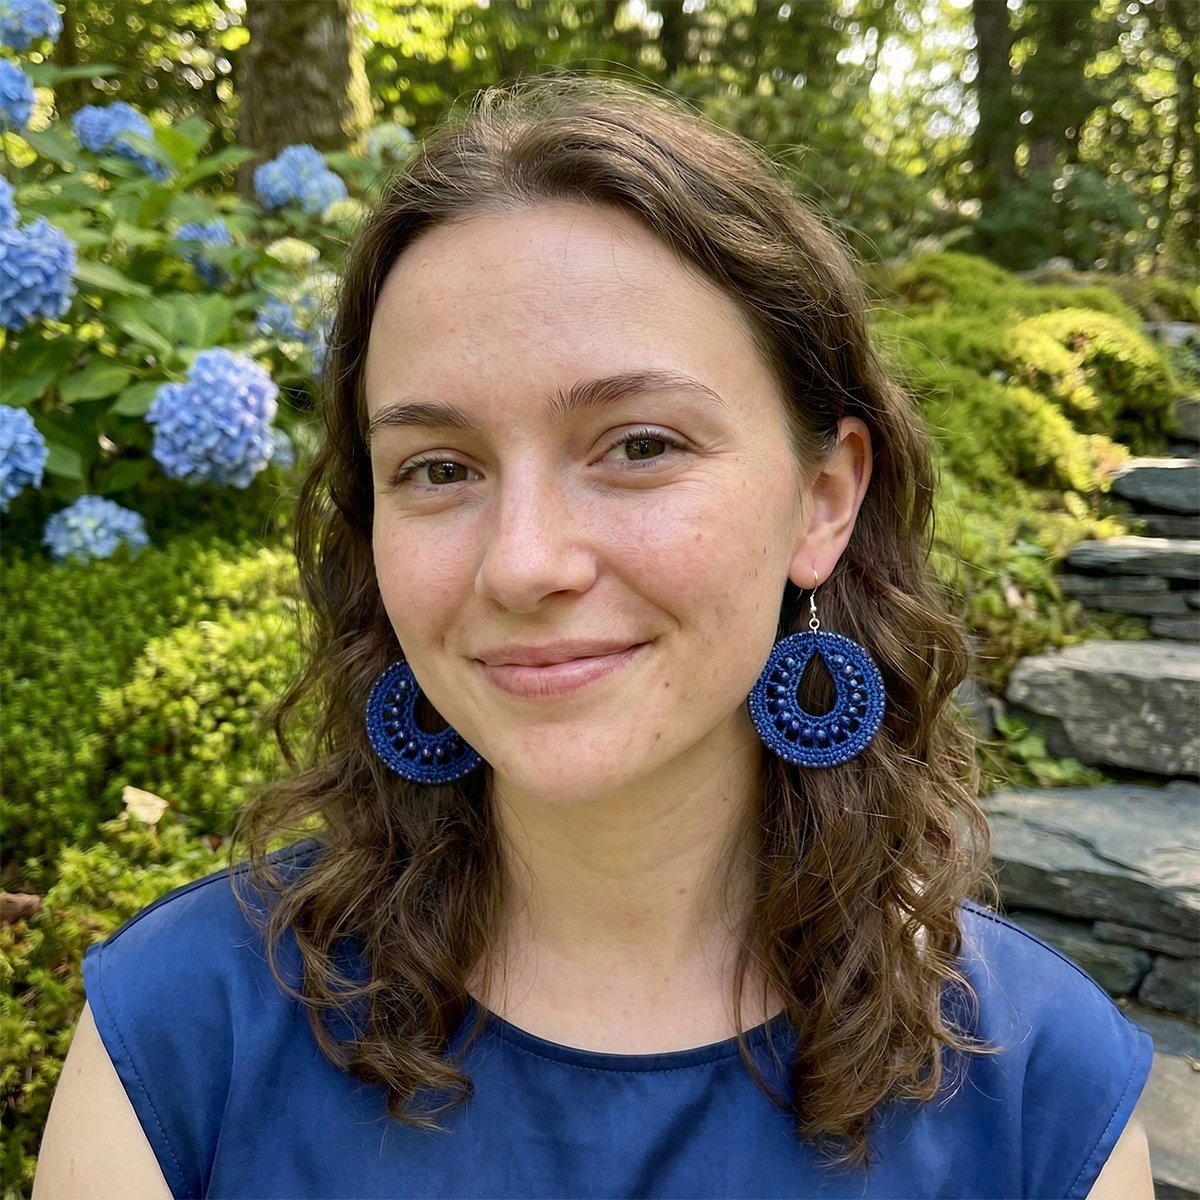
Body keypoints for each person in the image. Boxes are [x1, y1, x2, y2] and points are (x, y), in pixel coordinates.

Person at [35, 78, 1154, 1200]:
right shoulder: (178, 1043)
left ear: (823, 499)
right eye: (438, 468)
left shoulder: (1042, 1096)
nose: (523, 561)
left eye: (639, 445)